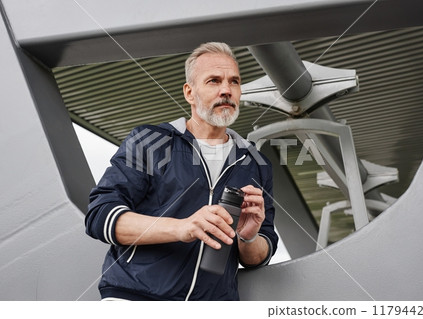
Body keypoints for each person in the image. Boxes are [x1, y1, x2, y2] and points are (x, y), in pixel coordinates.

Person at [85, 42, 278, 301]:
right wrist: (182, 227)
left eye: (234, 82)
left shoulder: (256, 162)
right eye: (213, 81)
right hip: (135, 299)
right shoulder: (149, 141)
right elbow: (100, 216)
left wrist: (248, 237)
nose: (226, 90)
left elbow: (258, 258)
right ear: (189, 92)